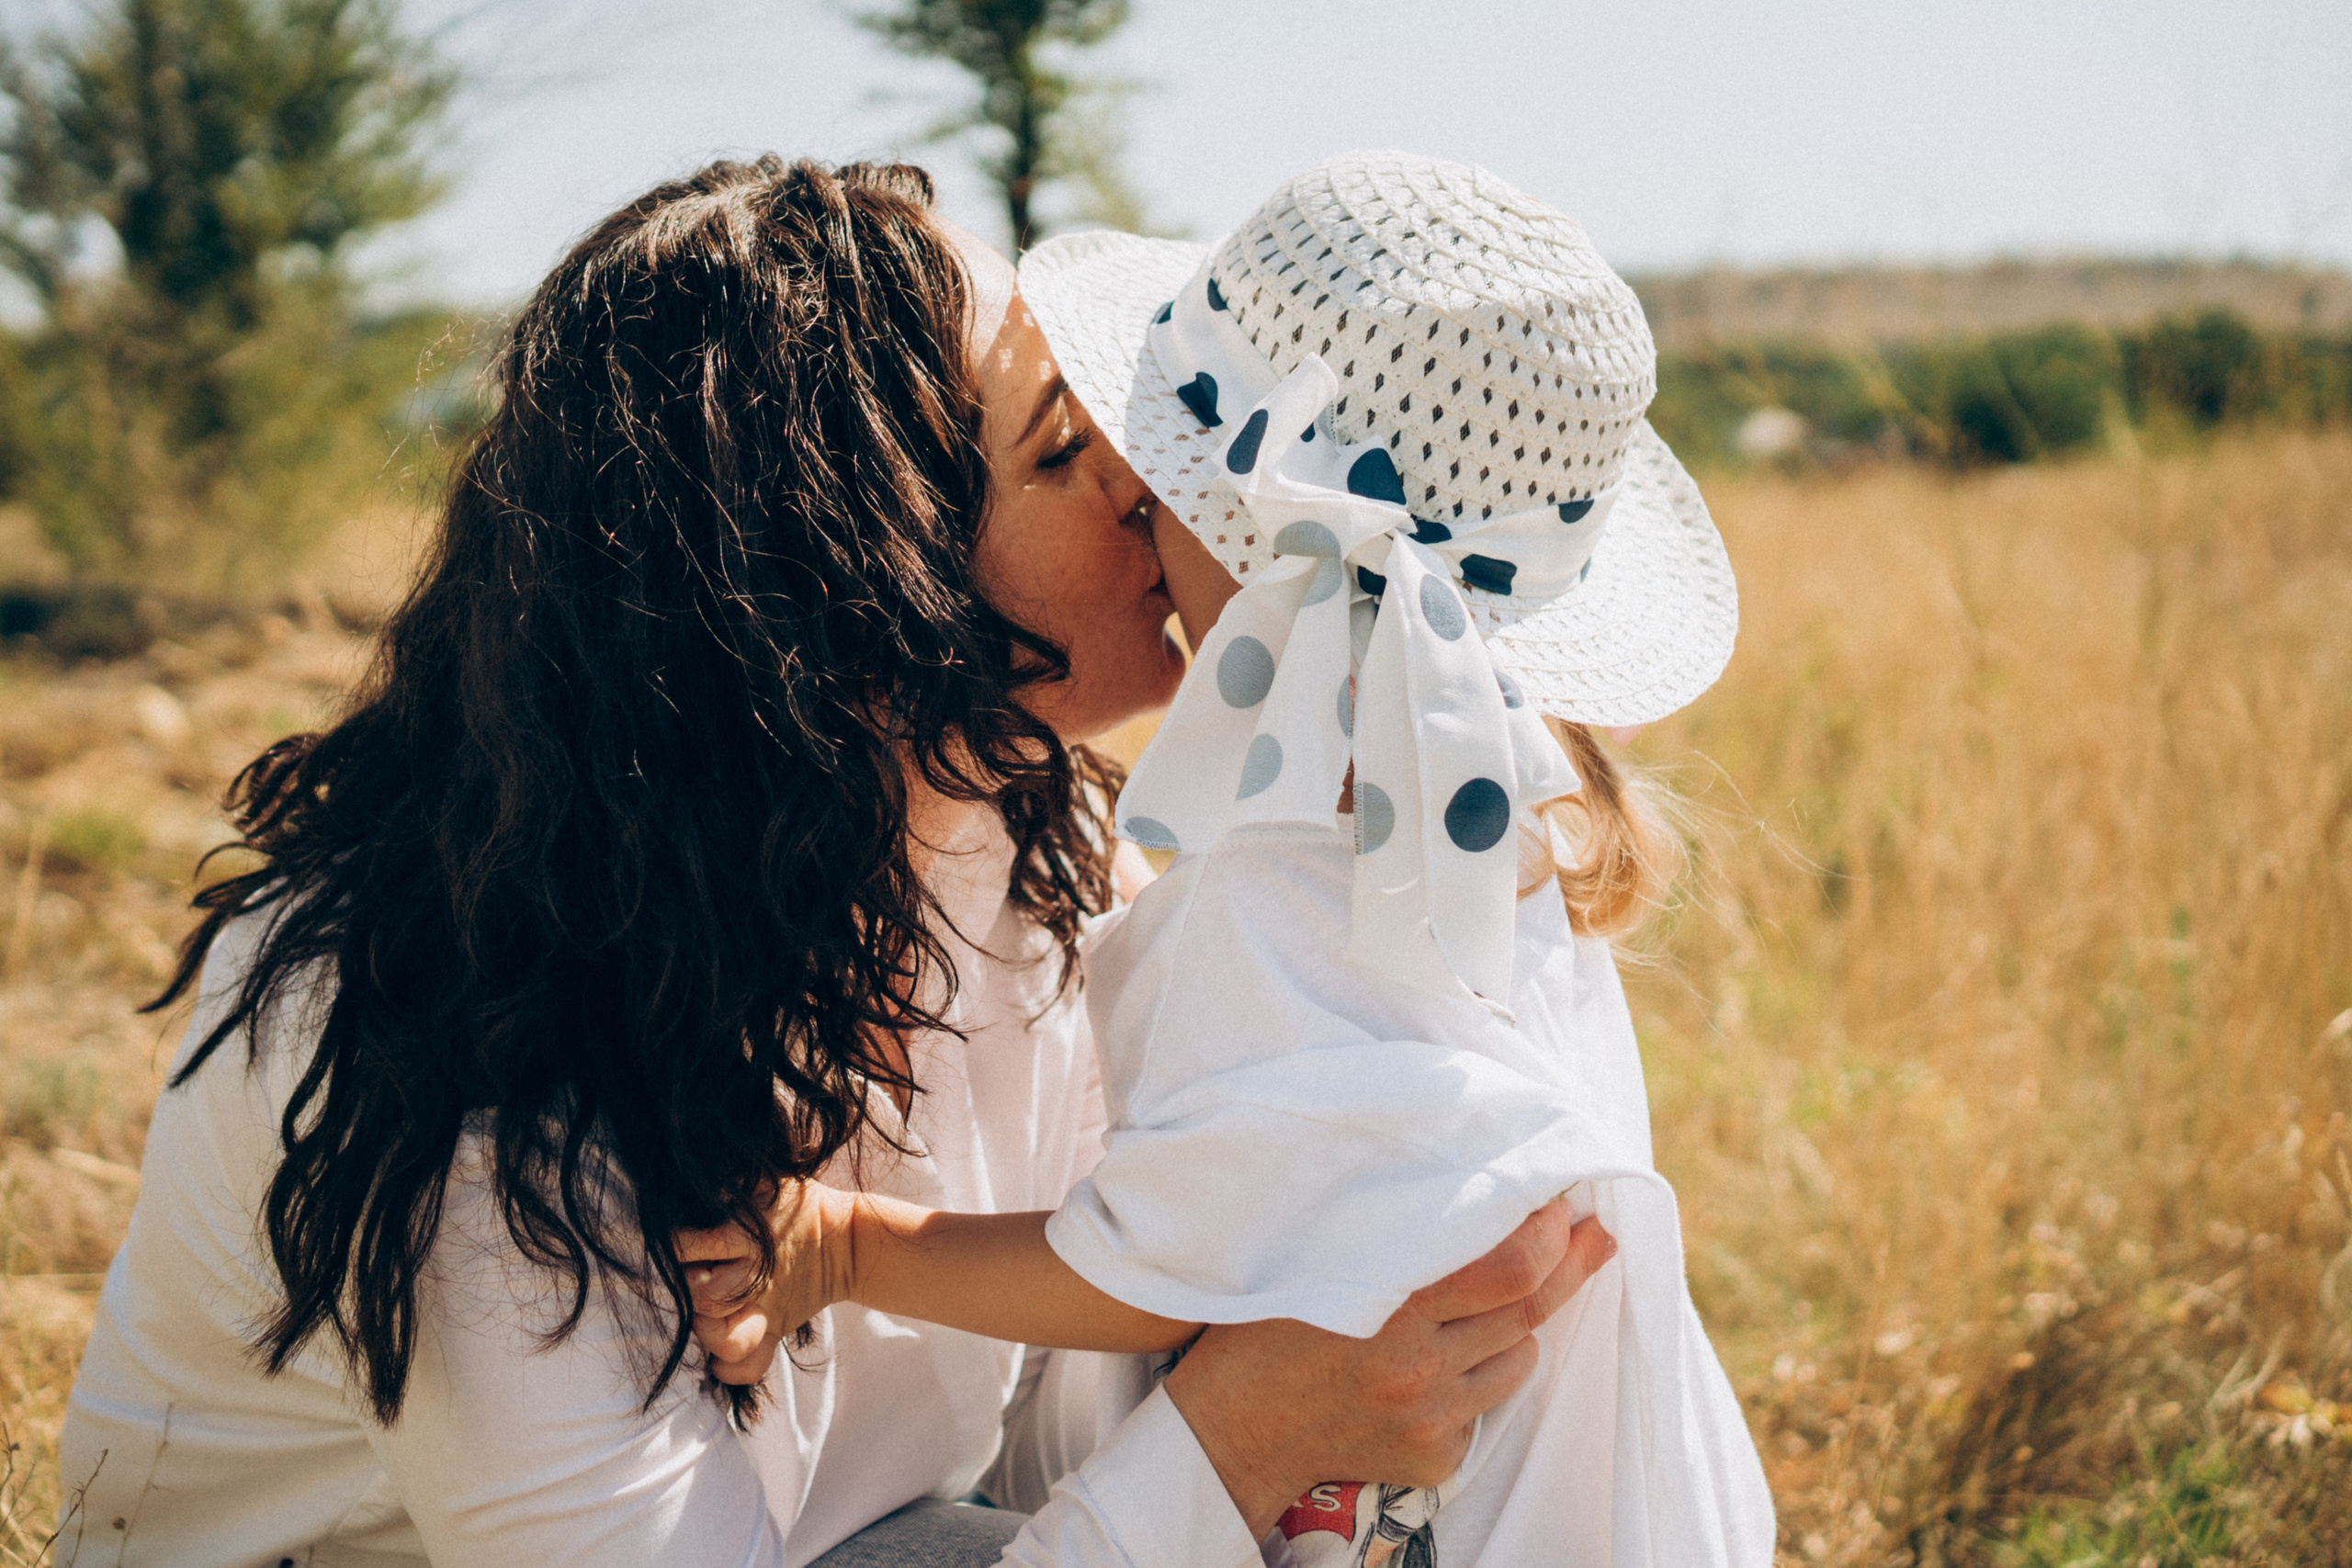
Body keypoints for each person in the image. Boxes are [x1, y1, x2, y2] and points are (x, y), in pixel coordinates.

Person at [55, 155, 1607, 1568]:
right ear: (844, 571)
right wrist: (1244, 1444)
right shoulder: (464, 1051)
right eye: (1067, 448)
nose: (1152, 483)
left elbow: (1054, 1425)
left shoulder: (1035, 845)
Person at [695, 152, 1777, 1565]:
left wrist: (844, 1245)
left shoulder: (1264, 899)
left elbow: (1149, 1265)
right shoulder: (1498, 806)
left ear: (1262, 558)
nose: (1134, 508)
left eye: (1157, 494)